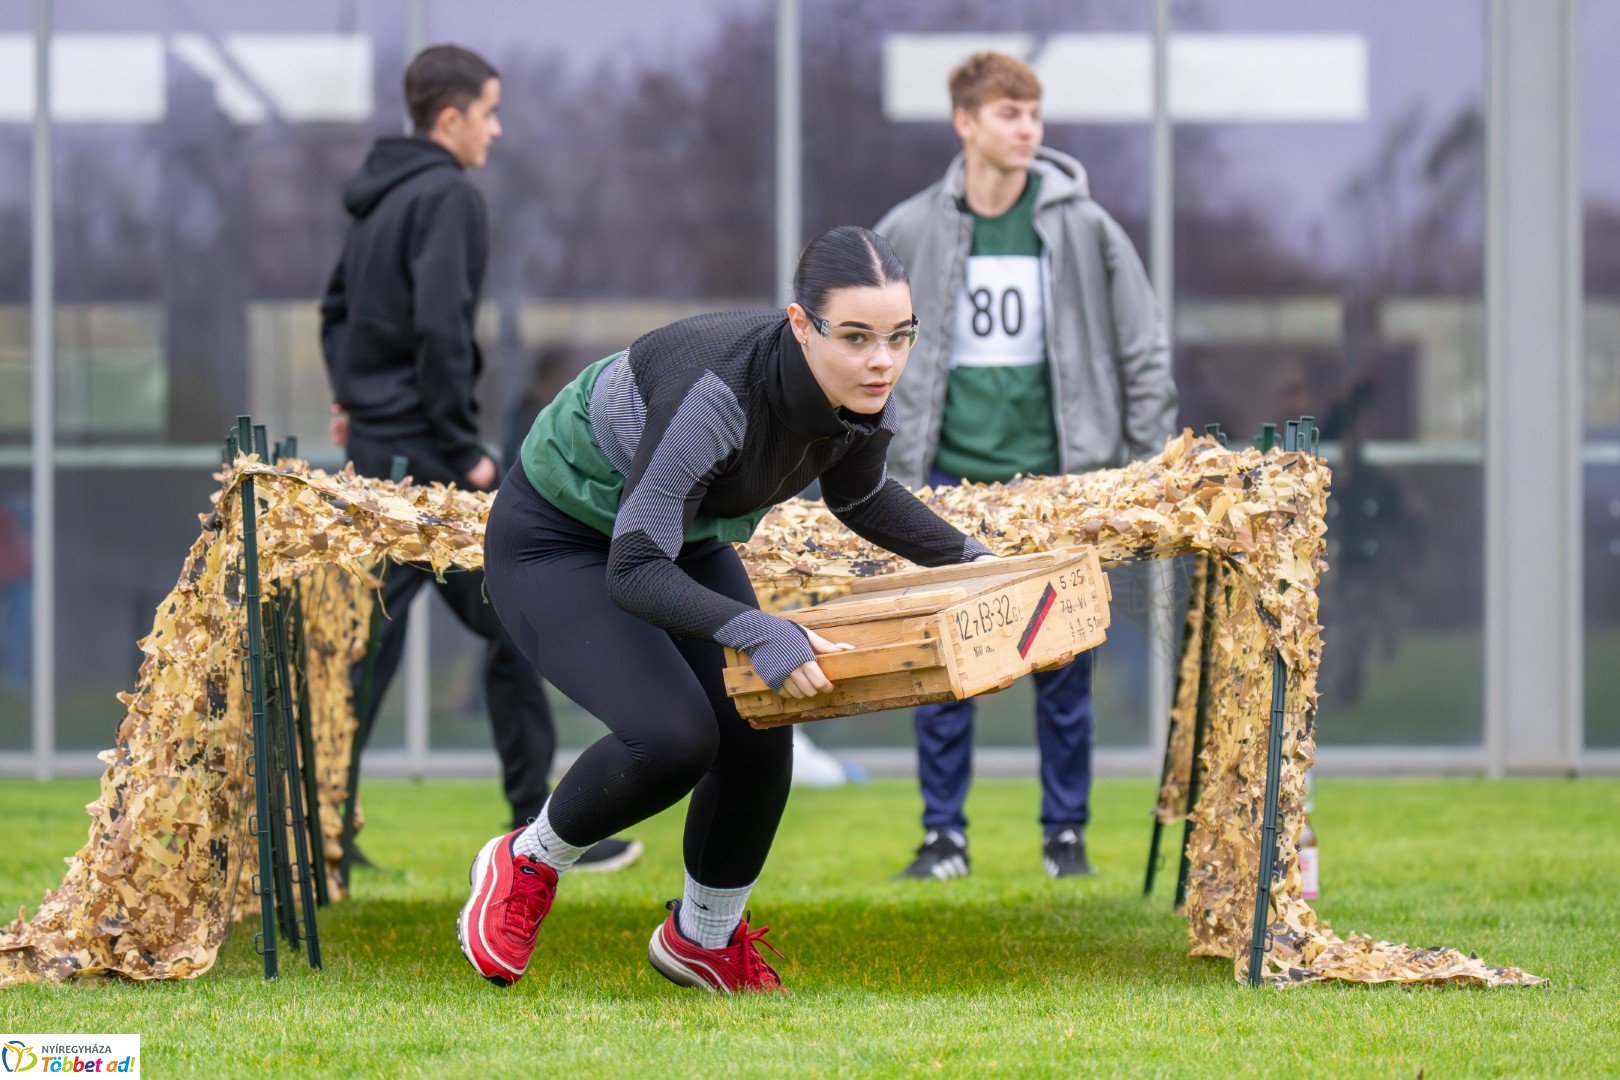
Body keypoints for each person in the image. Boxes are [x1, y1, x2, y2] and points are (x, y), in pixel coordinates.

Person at [457, 226, 994, 994]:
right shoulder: (719, 393)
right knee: (673, 737)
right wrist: (758, 629)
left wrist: (974, 561)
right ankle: (527, 859)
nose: (883, 360)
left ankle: (702, 940)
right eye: (856, 337)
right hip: (560, 538)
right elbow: (635, 569)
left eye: (899, 337)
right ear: (800, 324)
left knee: (757, 725)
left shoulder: (857, 386)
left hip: (679, 533)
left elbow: (862, 493)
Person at [319, 44, 638, 871]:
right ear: (451, 117)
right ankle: (546, 834)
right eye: (489, 113)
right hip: (426, 462)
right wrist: (466, 452)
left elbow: (333, 312)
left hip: (379, 456)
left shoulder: (373, 202)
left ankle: (323, 836)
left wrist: (352, 398)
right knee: (504, 623)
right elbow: (440, 330)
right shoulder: (447, 198)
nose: (498, 130)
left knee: (375, 645)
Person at [876, 52, 1177, 881]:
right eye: (1010, 113)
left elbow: (1143, 354)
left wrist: (1141, 479)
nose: (1028, 129)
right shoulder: (908, 230)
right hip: (940, 483)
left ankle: (1065, 837)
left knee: (1062, 663)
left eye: (1035, 114)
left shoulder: (1086, 227)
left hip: (1058, 482)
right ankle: (944, 837)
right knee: (942, 664)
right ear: (965, 124)